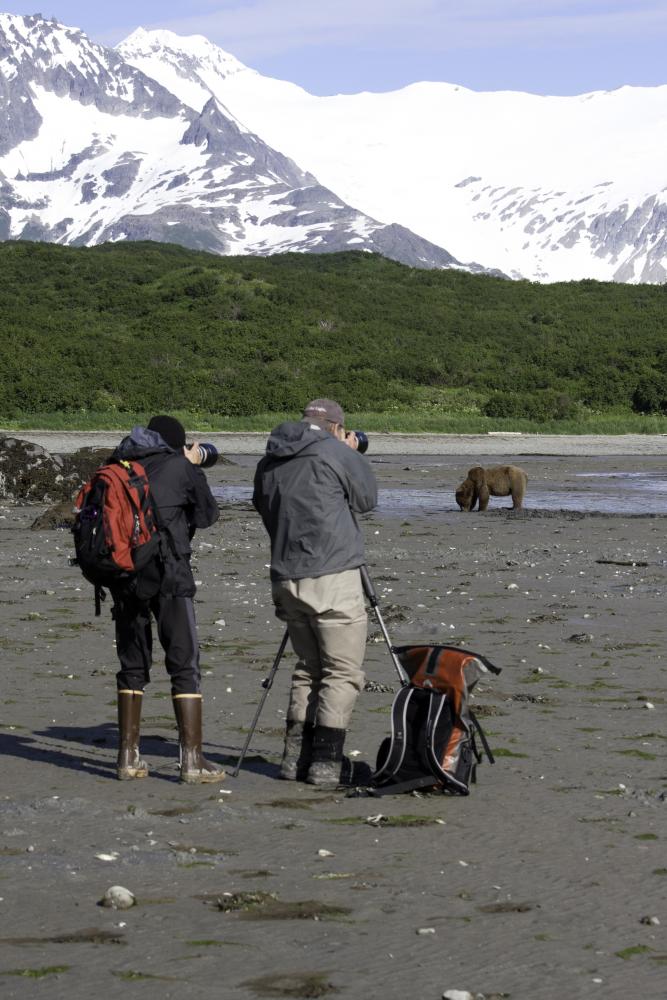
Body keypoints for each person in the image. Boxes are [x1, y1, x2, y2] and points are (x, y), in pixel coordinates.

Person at [253, 398, 378, 786]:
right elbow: (367, 501)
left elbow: (263, 505)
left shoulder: (271, 456)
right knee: (342, 672)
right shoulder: (335, 452)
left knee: (308, 669)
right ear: (338, 427)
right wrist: (349, 454)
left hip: (286, 575)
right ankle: (325, 764)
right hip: (333, 574)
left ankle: (294, 761)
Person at [110, 415, 224, 784]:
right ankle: (191, 761)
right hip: (170, 574)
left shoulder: (118, 462)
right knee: (184, 662)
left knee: (132, 664)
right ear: (178, 444)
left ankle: (127, 758)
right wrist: (192, 468)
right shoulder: (179, 466)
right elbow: (207, 515)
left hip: (124, 575)